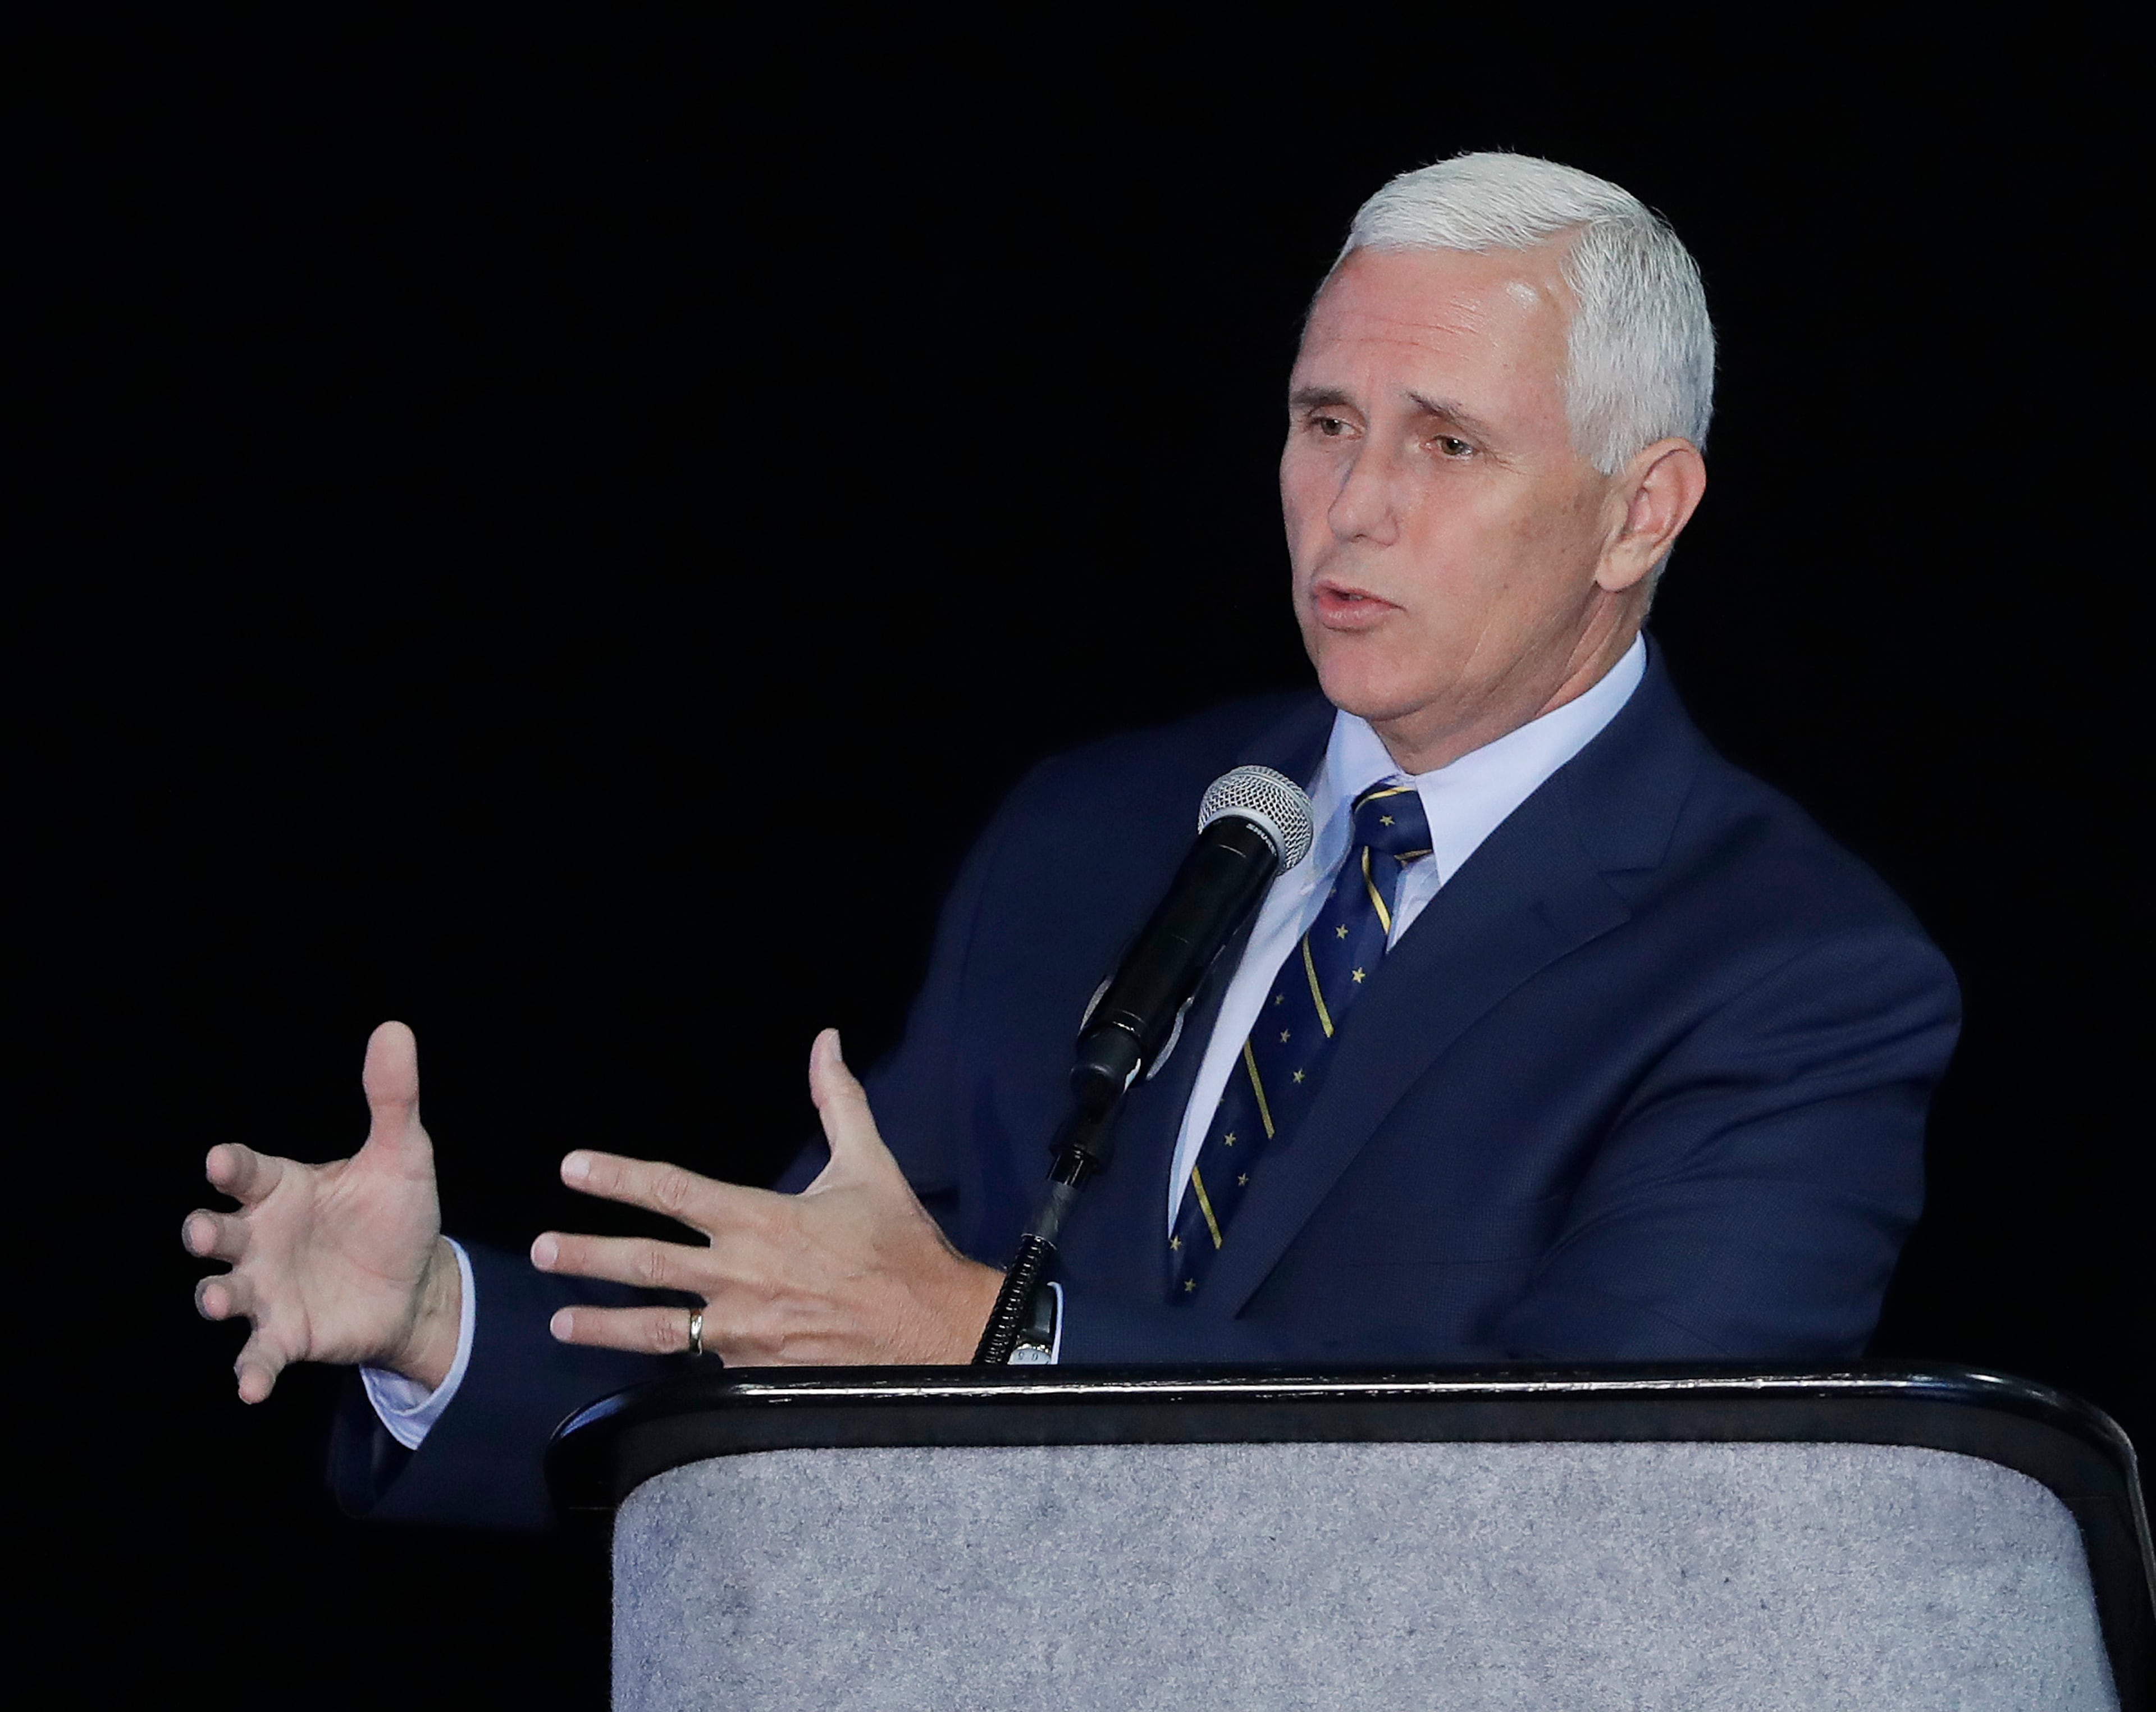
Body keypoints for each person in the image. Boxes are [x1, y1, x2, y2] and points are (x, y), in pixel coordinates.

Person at [182, 153, 1959, 1529]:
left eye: (1450, 443)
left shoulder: (1796, 978)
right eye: (1324, 421)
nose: (1354, 506)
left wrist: (1003, 1339)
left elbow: (1605, 1500)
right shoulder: (1093, 836)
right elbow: (814, 1314)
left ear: (1639, 509)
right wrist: (434, 1320)